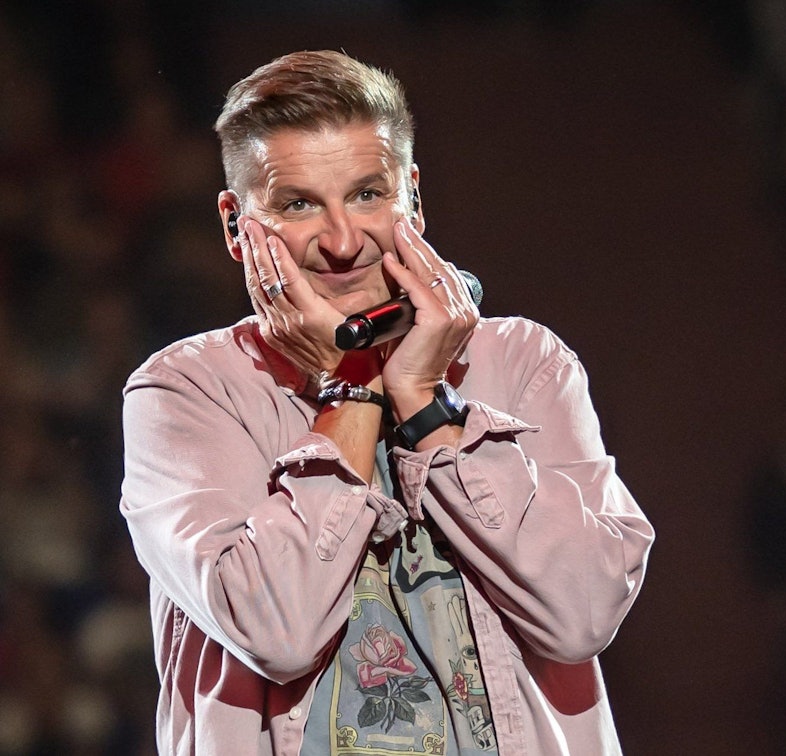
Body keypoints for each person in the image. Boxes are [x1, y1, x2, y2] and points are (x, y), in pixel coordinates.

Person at [119, 49, 654, 755]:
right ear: (234, 224)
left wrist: (427, 406)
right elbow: (277, 634)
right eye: (298, 204)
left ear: (415, 199)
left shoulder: (525, 362)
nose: (343, 242)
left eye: (369, 194)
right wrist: (352, 383)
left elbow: (581, 616)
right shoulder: (186, 393)